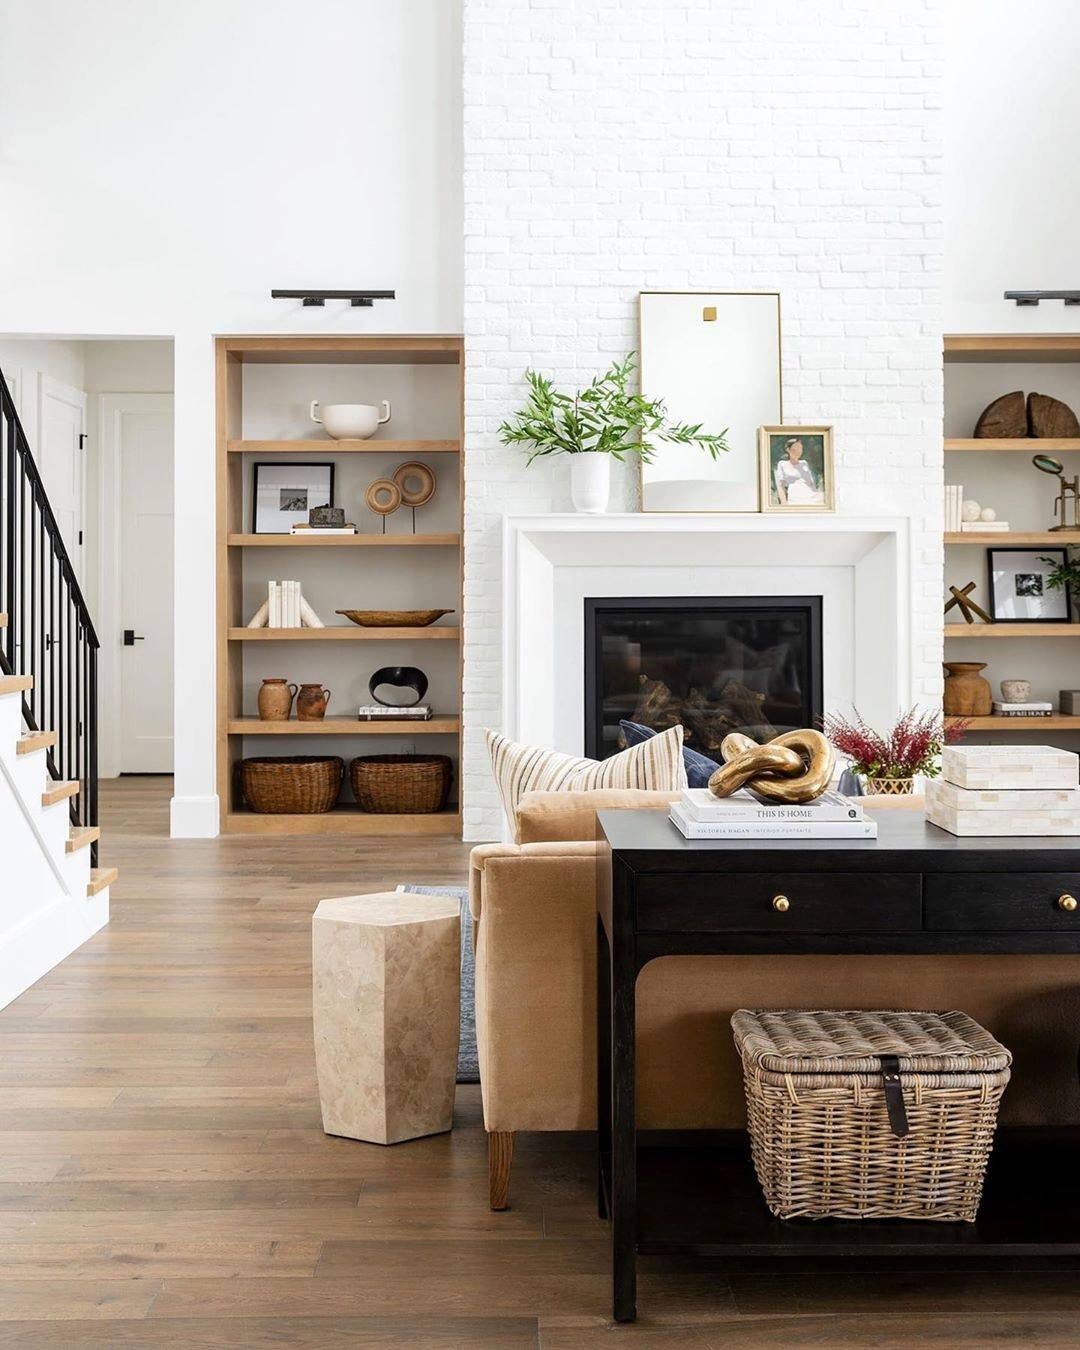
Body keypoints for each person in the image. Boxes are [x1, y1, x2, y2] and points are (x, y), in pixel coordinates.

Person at [773, 437, 824, 506]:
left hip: (811, 494)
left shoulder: (804, 463)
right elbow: (780, 486)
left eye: (800, 448)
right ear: (788, 449)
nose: (799, 451)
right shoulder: (782, 464)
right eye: (796, 448)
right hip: (795, 496)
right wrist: (784, 502)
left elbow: (811, 483)